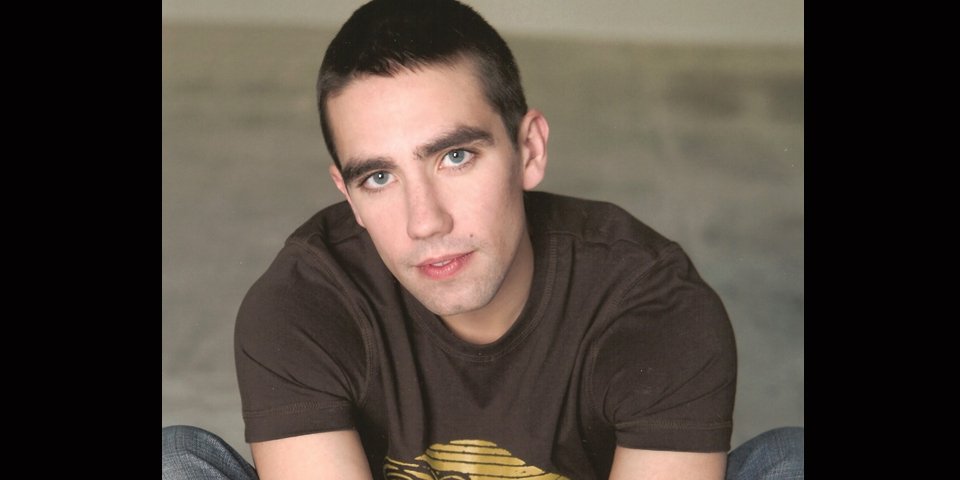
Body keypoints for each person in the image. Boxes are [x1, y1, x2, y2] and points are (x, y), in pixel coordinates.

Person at [162, 0, 803, 478]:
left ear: (529, 149)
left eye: (455, 157)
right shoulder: (303, 304)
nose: (425, 221)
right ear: (347, 194)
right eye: (379, 177)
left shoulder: (653, 306)